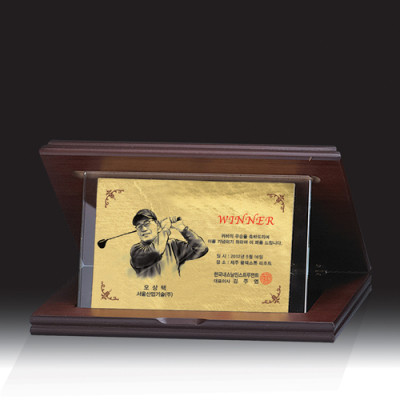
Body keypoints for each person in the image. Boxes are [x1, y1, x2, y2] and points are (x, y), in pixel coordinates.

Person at [130, 209, 208, 278]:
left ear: (157, 225)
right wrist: (165, 229)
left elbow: (201, 248)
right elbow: (156, 251)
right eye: (139, 226)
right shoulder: (135, 250)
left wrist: (182, 229)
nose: (143, 229)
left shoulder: (173, 244)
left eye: (147, 223)